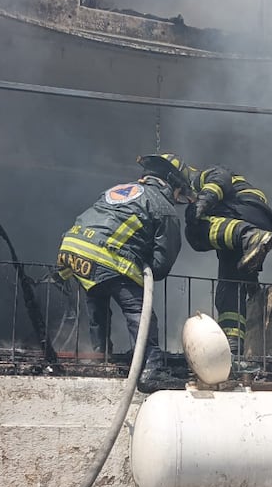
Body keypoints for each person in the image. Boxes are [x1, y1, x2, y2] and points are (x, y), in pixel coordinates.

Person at [56, 155, 182, 392]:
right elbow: (162, 262)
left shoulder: (117, 189)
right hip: (107, 256)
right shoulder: (163, 206)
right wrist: (147, 267)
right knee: (140, 312)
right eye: (179, 192)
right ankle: (150, 370)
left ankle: (100, 356)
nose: (178, 198)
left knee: (98, 301)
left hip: (74, 249)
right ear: (171, 182)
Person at [152, 153, 272, 358]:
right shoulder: (223, 228)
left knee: (194, 230)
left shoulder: (201, 176)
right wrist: (250, 278)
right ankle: (233, 345)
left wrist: (202, 202)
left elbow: (221, 178)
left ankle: (249, 237)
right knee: (228, 288)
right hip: (247, 221)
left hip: (245, 209)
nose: (184, 197)